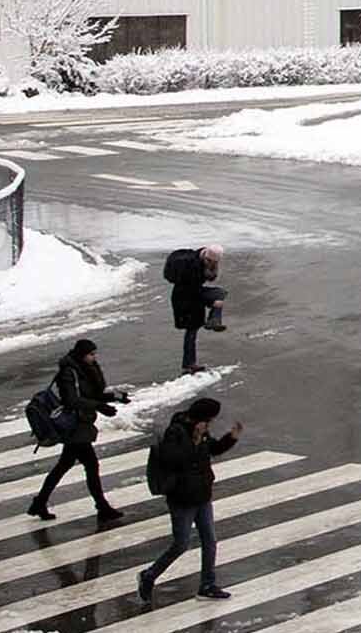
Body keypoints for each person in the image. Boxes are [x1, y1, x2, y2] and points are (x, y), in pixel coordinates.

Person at [136, 397, 240, 606]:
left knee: (209, 541)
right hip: (182, 498)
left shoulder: (201, 431)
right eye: (209, 419)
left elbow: (213, 449)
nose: (210, 424)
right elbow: (173, 460)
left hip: (202, 494)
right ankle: (149, 575)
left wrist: (230, 438)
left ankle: (207, 585)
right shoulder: (176, 431)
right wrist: (195, 439)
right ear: (201, 417)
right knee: (181, 544)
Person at [28, 338, 128, 523]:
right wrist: (99, 406)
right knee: (90, 465)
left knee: (64, 465)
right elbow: (72, 400)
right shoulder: (69, 372)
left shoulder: (84, 369)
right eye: (91, 354)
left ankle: (40, 502)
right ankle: (102, 507)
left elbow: (91, 394)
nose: (94, 357)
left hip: (81, 424)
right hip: (74, 426)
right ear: (82, 355)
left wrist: (115, 397)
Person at [165, 245, 227, 375]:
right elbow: (194, 289)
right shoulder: (192, 266)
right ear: (206, 257)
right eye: (209, 261)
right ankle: (189, 365)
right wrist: (212, 302)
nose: (211, 264)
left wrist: (212, 269)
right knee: (191, 330)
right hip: (184, 298)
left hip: (192, 294)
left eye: (214, 262)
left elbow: (209, 279)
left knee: (220, 294)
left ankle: (214, 320)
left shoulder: (202, 258)